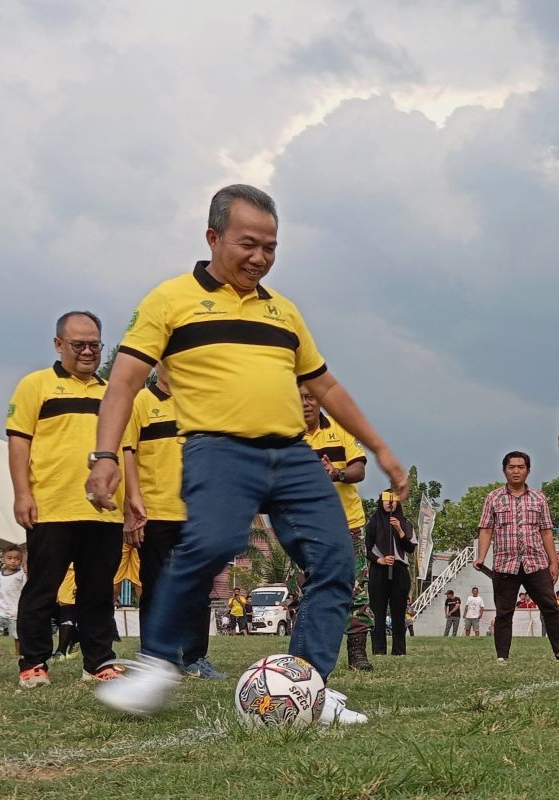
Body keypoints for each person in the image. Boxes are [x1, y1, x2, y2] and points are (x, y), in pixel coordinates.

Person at [87, 184, 406, 722]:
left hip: (293, 454)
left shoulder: (283, 312)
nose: (260, 257)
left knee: (334, 562)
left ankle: (307, 686)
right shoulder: (169, 301)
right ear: (213, 237)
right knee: (212, 543)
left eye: (271, 247)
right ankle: (159, 663)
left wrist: (380, 448)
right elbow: (122, 382)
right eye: (248, 244)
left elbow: (325, 387)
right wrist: (104, 457)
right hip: (220, 449)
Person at [8, 311, 126, 688]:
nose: (88, 352)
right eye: (79, 345)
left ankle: (98, 662)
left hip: (104, 511)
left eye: (95, 344)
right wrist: (22, 494)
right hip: (52, 506)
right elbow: (18, 442)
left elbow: (127, 449)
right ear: (59, 344)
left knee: (97, 590)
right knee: (43, 587)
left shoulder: (114, 392)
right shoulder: (35, 386)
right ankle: (34, 663)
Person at [123, 366, 226, 679]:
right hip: (154, 512)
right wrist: (131, 505)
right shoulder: (139, 401)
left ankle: (195, 657)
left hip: (196, 512)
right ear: (158, 365)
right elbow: (127, 453)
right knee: (153, 588)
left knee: (199, 587)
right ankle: (157, 659)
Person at [476, 451, 559, 665]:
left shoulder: (538, 498)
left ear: (528, 470)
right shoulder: (493, 497)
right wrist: (481, 556)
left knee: (550, 607)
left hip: (535, 562)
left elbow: (546, 531)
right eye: (511, 467)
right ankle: (502, 656)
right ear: (504, 470)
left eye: (520, 467)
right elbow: (486, 529)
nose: (516, 471)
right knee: (504, 612)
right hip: (504, 563)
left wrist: (553, 561)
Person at [300, 384, 373, 671]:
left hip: (348, 525)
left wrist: (336, 472)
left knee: (355, 591)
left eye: (311, 397)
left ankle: (357, 654)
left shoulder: (340, 430)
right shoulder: (285, 435)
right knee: (307, 592)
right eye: (299, 397)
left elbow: (360, 469)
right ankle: (306, 657)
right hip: (306, 527)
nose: (306, 403)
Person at [366, 491, 415, 656]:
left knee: (398, 612)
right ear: (381, 502)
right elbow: (366, 547)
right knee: (378, 612)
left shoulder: (405, 523)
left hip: (399, 570)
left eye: (393, 501)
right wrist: (379, 560)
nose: (390, 504)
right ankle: (378, 649)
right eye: (386, 500)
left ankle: (399, 650)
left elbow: (410, 548)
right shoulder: (373, 522)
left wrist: (399, 530)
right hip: (379, 569)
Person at [0, 546, 26, 659]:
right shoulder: (0, 574)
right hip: (0, 608)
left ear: (21, 560)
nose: (13, 561)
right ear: (3, 559)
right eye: (9, 558)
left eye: (17, 558)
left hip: (15, 609)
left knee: (17, 635)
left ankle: (19, 654)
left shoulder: (21, 575)